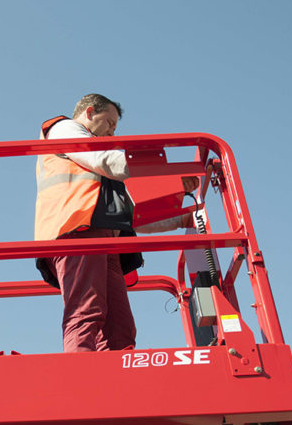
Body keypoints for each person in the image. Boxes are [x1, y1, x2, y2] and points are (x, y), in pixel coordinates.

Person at [35, 94, 195, 353]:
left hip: (102, 239)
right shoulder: (65, 129)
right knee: (86, 312)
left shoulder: (98, 171)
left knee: (120, 327)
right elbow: (104, 160)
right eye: (108, 123)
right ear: (89, 112)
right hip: (75, 232)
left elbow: (128, 216)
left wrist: (181, 218)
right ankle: (80, 381)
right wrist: (166, 169)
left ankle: (118, 384)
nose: (112, 132)